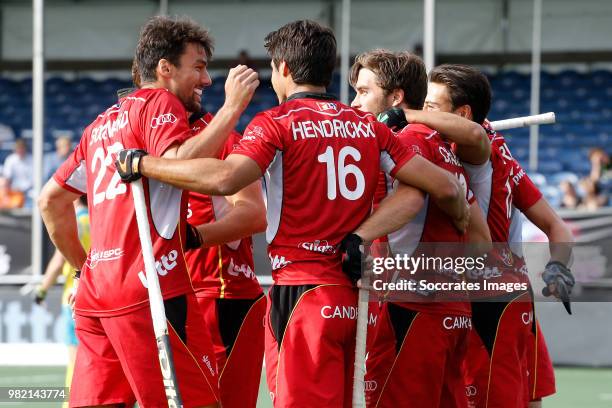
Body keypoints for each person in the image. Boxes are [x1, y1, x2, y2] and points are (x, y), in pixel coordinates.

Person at [116, 20, 470, 407]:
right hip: (358, 299)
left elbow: (225, 179)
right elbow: (442, 188)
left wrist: (144, 165)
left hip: (302, 294)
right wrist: (361, 236)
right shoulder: (368, 126)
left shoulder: (276, 122)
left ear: (283, 68)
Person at [38, 15, 258, 408]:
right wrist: (233, 108)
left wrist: (83, 268)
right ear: (165, 69)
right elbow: (180, 161)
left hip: (95, 296)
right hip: (153, 288)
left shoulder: (99, 124)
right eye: (199, 67)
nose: (206, 79)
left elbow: (50, 201)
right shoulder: (159, 102)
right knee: (199, 403)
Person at [348, 49, 492, 408]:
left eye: (363, 92)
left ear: (395, 98)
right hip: (450, 312)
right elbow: (481, 241)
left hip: (411, 311)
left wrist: (358, 240)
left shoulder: (407, 141)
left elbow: (414, 199)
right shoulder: (439, 147)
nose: (354, 103)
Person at [425, 64, 575, 408]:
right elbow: (558, 228)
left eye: (431, 107)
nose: (423, 113)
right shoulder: (498, 152)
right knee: (526, 398)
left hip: (488, 297)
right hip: (511, 293)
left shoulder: (479, 152)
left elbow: (558, 229)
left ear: (463, 114)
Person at [185, 110, 267, 408]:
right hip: (171, 296)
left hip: (221, 297)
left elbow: (255, 214)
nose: (205, 79)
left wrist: (192, 237)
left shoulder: (225, 140)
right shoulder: (153, 141)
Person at [34, 196, 89, 408]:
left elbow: (58, 261)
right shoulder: (98, 220)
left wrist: (41, 290)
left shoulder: (77, 224)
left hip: (74, 297)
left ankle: (71, 404)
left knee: (74, 359)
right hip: (99, 297)